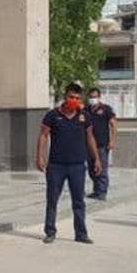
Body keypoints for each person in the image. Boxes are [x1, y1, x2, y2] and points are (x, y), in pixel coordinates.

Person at [37, 83, 101, 244]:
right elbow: (44, 136)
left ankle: (81, 233)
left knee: (78, 201)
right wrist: (39, 157)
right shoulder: (52, 115)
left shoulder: (84, 115)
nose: (74, 100)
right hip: (56, 166)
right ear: (65, 97)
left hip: (77, 166)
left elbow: (90, 137)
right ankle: (50, 231)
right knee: (52, 199)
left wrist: (97, 158)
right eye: (71, 97)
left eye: (77, 98)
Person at [85, 87, 117, 201]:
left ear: (99, 97)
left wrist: (112, 140)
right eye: (91, 97)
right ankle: (96, 190)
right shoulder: (86, 110)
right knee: (91, 169)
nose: (92, 99)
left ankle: (102, 192)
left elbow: (113, 125)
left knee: (102, 168)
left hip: (102, 144)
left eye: (94, 97)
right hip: (88, 145)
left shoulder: (106, 109)